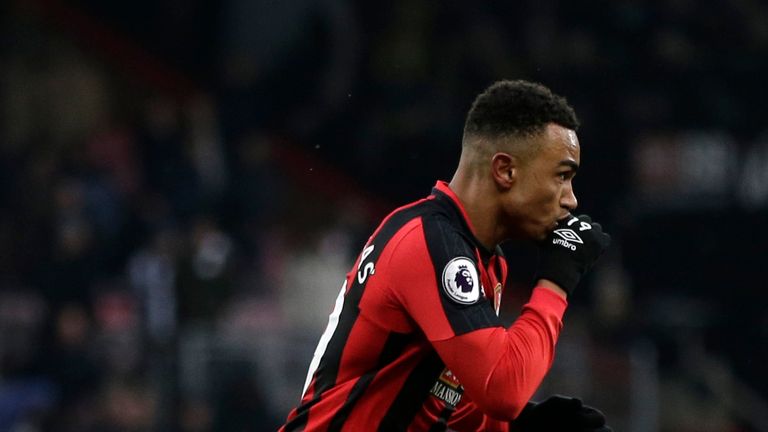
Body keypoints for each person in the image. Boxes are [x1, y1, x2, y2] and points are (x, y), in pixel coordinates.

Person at [280, 80, 613, 431]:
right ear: (505, 170)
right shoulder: (428, 241)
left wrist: (522, 424)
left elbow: (445, 395)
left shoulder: (484, 261)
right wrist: (556, 281)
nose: (571, 200)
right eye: (562, 176)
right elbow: (502, 390)